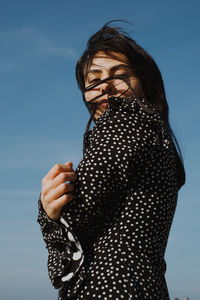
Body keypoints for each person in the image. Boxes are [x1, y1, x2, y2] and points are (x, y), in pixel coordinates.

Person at [38, 21, 186, 300]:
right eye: (94, 80)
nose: (105, 86)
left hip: (110, 288)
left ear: (144, 83)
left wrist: (48, 210)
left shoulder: (125, 117)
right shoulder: (157, 135)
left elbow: (78, 215)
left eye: (118, 74)